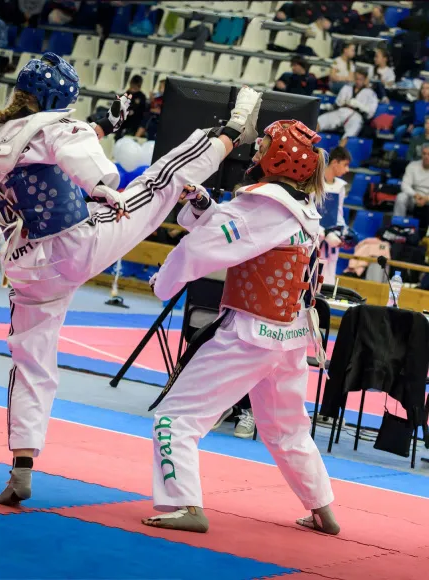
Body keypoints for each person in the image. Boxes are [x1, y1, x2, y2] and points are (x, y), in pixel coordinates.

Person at [0, 52, 263, 505]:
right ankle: (233, 129)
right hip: (75, 245)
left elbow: (41, 149)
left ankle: (21, 468)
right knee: (159, 181)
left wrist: (102, 126)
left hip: (27, 267)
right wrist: (104, 187)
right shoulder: (56, 128)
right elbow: (84, 162)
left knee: (30, 363)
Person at [141, 119, 340, 536]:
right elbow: (237, 231)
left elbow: (201, 247)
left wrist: (162, 284)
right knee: (287, 427)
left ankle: (185, 504)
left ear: (280, 157)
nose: (256, 150)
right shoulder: (302, 210)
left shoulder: (264, 205)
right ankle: (323, 509)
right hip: (290, 336)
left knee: (175, 418)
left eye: (264, 144)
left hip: (249, 334)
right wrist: (203, 207)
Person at [319, 146, 352, 285]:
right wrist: (324, 233)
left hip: (332, 239)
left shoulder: (340, 186)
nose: (347, 170)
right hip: (315, 237)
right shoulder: (315, 181)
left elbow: (338, 213)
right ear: (334, 163)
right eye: (345, 164)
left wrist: (343, 231)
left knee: (329, 279)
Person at [317, 69, 378, 139]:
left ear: (365, 80)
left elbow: (371, 112)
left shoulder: (371, 93)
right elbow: (337, 103)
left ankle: (342, 145)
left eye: (360, 79)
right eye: (356, 79)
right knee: (319, 121)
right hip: (341, 111)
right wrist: (342, 102)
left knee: (349, 134)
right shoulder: (346, 88)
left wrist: (358, 105)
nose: (358, 81)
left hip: (356, 115)